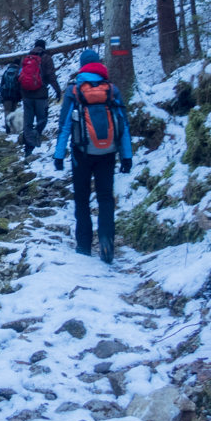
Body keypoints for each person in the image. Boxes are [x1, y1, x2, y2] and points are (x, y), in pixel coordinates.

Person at [53, 49, 132, 263]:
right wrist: (127, 156)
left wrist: (59, 155)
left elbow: (65, 125)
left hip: (81, 152)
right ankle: (107, 242)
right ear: (98, 65)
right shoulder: (112, 90)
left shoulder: (74, 90)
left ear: (82, 66)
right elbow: (123, 124)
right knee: (106, 197)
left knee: (81, 198)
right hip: (108, 152)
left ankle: (84, 245)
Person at [19, 39, 62, 157]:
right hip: (41, 95)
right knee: (42, 120)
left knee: (28, 122)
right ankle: (35, 136)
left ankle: (28, 149)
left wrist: (19, 93)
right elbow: (51, 76)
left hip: (26, 95)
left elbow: (19, 76)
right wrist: (57, 90)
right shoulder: (46, 58)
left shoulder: (26, 58)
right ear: (44, 47)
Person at [0, 58, 22, 132]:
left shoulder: (7, 71)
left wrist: (1, 94)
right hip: (15, 94)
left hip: (6, 94)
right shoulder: (19, 72)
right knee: (14, 111)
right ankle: (13, 128)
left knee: (7, 110)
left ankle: (8, 128)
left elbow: (2, 83)